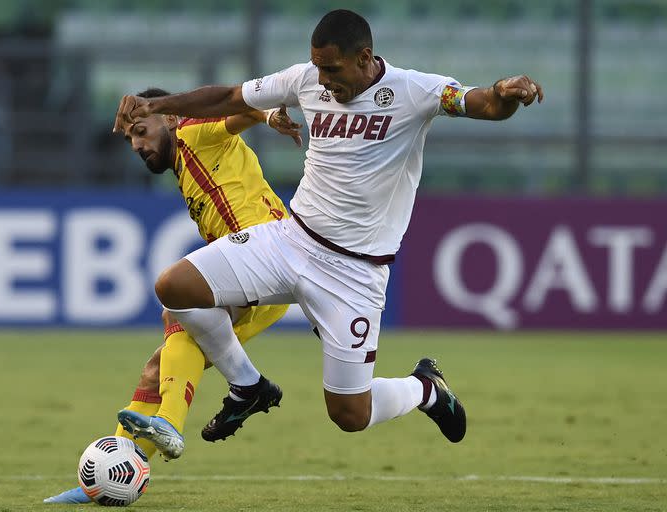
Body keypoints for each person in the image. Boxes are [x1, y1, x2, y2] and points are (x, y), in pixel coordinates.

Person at [112, 9, 543, 449]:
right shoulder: (307, 80)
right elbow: (230, 97)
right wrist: (157, 105)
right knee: (175, 287)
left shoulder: (415, 90)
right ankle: (247, 386)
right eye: (317, 65)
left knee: (350, 414)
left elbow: (485, 103)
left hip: (354, 273)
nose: (323, 78)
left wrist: (504, 92)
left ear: (365, 58)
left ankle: (426, 388)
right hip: (290, 241)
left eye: (332, 68)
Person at [44, 87, 302, 504]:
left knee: (178, 308)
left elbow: (240, 107)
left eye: (142, 132)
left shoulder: (194, 132)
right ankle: (109, 474)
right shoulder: (185, 166)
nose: (138, 145)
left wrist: (270, 115)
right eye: (131, 140)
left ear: (169, 118)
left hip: (265, 261)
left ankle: (174, 420)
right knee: (158, 367)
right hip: (260, 282)